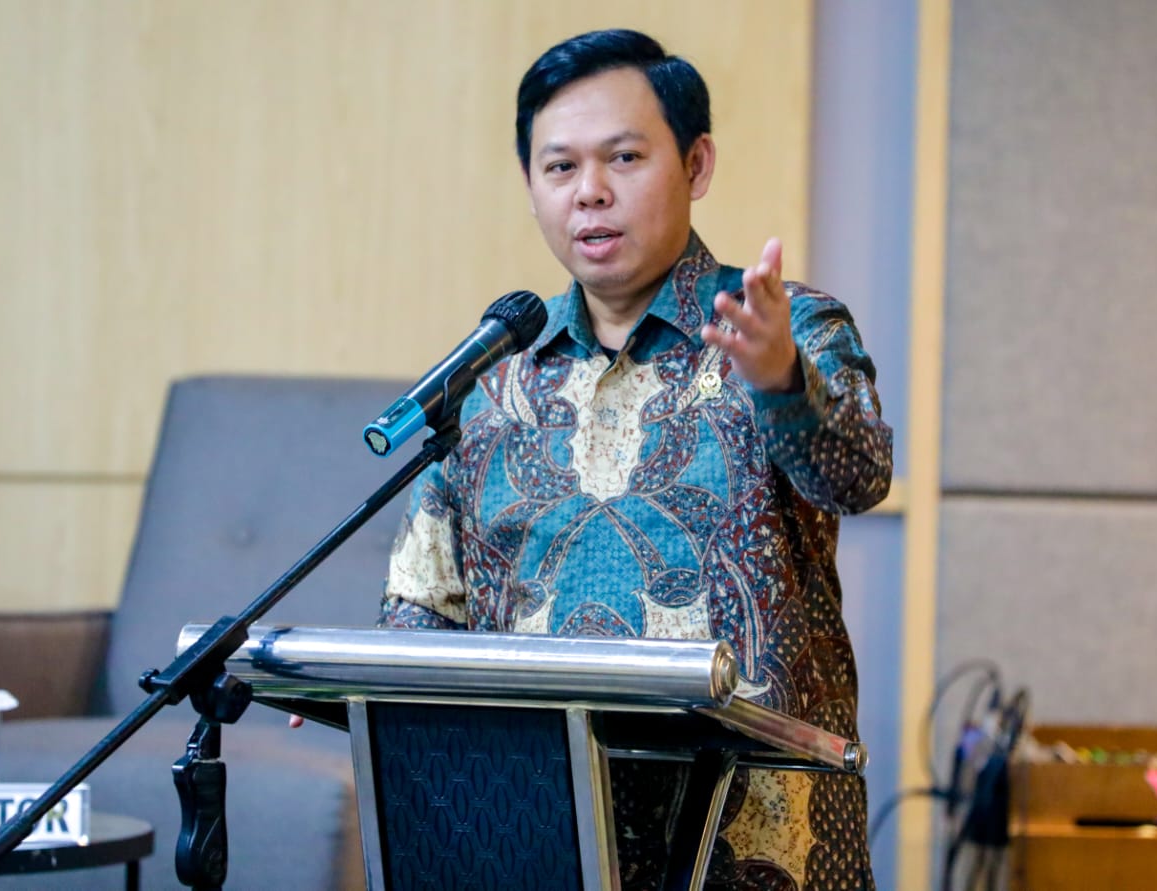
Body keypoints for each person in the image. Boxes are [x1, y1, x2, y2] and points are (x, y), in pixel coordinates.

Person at [377, 28, 893, 890]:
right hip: (540, 833)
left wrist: (779, 379)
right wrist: (368, 696)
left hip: (756, 844)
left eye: (623, 157)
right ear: (531, 185)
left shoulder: (787, 326)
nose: (590, 191)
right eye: (560, 167)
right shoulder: (495, 374)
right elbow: (428, 601)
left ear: (696, 164)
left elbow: (859, 476)